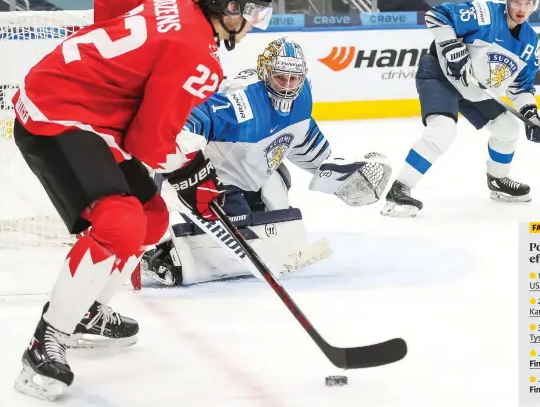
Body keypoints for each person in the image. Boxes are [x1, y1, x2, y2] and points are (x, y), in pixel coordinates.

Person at [11, 0, 273, 401]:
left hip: (84, 110)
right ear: (230, 8)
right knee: (120, 223)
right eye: (253, 13)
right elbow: (149, 145)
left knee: (150, 221)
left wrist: (110, 74)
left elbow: (108, 0)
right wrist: (195, 172)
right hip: (55, 114)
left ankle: (87, 311)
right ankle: (45, 340)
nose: (254, 23)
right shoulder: (198, 59)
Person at [141, 37, 391, 286]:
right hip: (215, 177)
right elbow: (192, 116)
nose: (287, 86)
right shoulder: (243, 100)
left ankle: (245, 233)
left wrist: (339, 177)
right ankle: (163, 256)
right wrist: (179, 158)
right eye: (280, 77)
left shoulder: (302, 98)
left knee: (279, 206)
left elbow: (301, 141)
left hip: (254, 174)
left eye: (294, 79)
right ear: (265, 71)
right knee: (241, 227)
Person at [381, 0, 540, 217]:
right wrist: (451, 47)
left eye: (527, 3)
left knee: (508, 129)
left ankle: (498, 181)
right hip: (441, 75)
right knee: (442, 131)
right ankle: (399, 191)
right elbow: (437, 14)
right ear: (507, 0)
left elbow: (521, 89)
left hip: (475, 88)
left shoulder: (531, 44)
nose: (521, 8)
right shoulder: (486, 13)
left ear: (535, 4)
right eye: (517, 1)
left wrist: (533, 115)